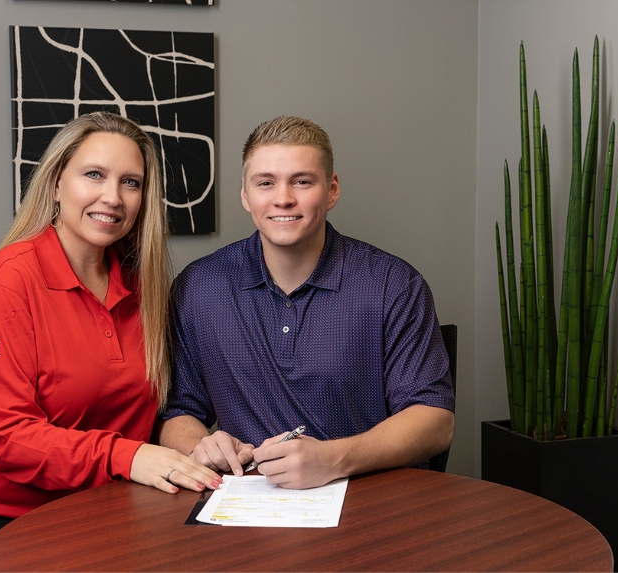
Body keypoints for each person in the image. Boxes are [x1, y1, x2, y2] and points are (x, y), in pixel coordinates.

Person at [0, 112, 222, 571]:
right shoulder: (3, 285)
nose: (112, 197)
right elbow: (7, 436)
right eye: (94, 175)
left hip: (109, 510)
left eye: (131, 183)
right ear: (57, 183)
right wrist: (128, 455)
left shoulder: (144, 288)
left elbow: (153, 413)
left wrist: (200, 444)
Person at [158, 115, 455, 490]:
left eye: (302, 181)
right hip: (247, 506)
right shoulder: (198, 288)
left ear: (332, 190)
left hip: (371, 501)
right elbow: (176, 414)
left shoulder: (394, 285)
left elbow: (435, 421)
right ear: (245, 195)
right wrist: (201, 445)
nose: (283, 197)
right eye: (265, 183)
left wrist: (333, 459)